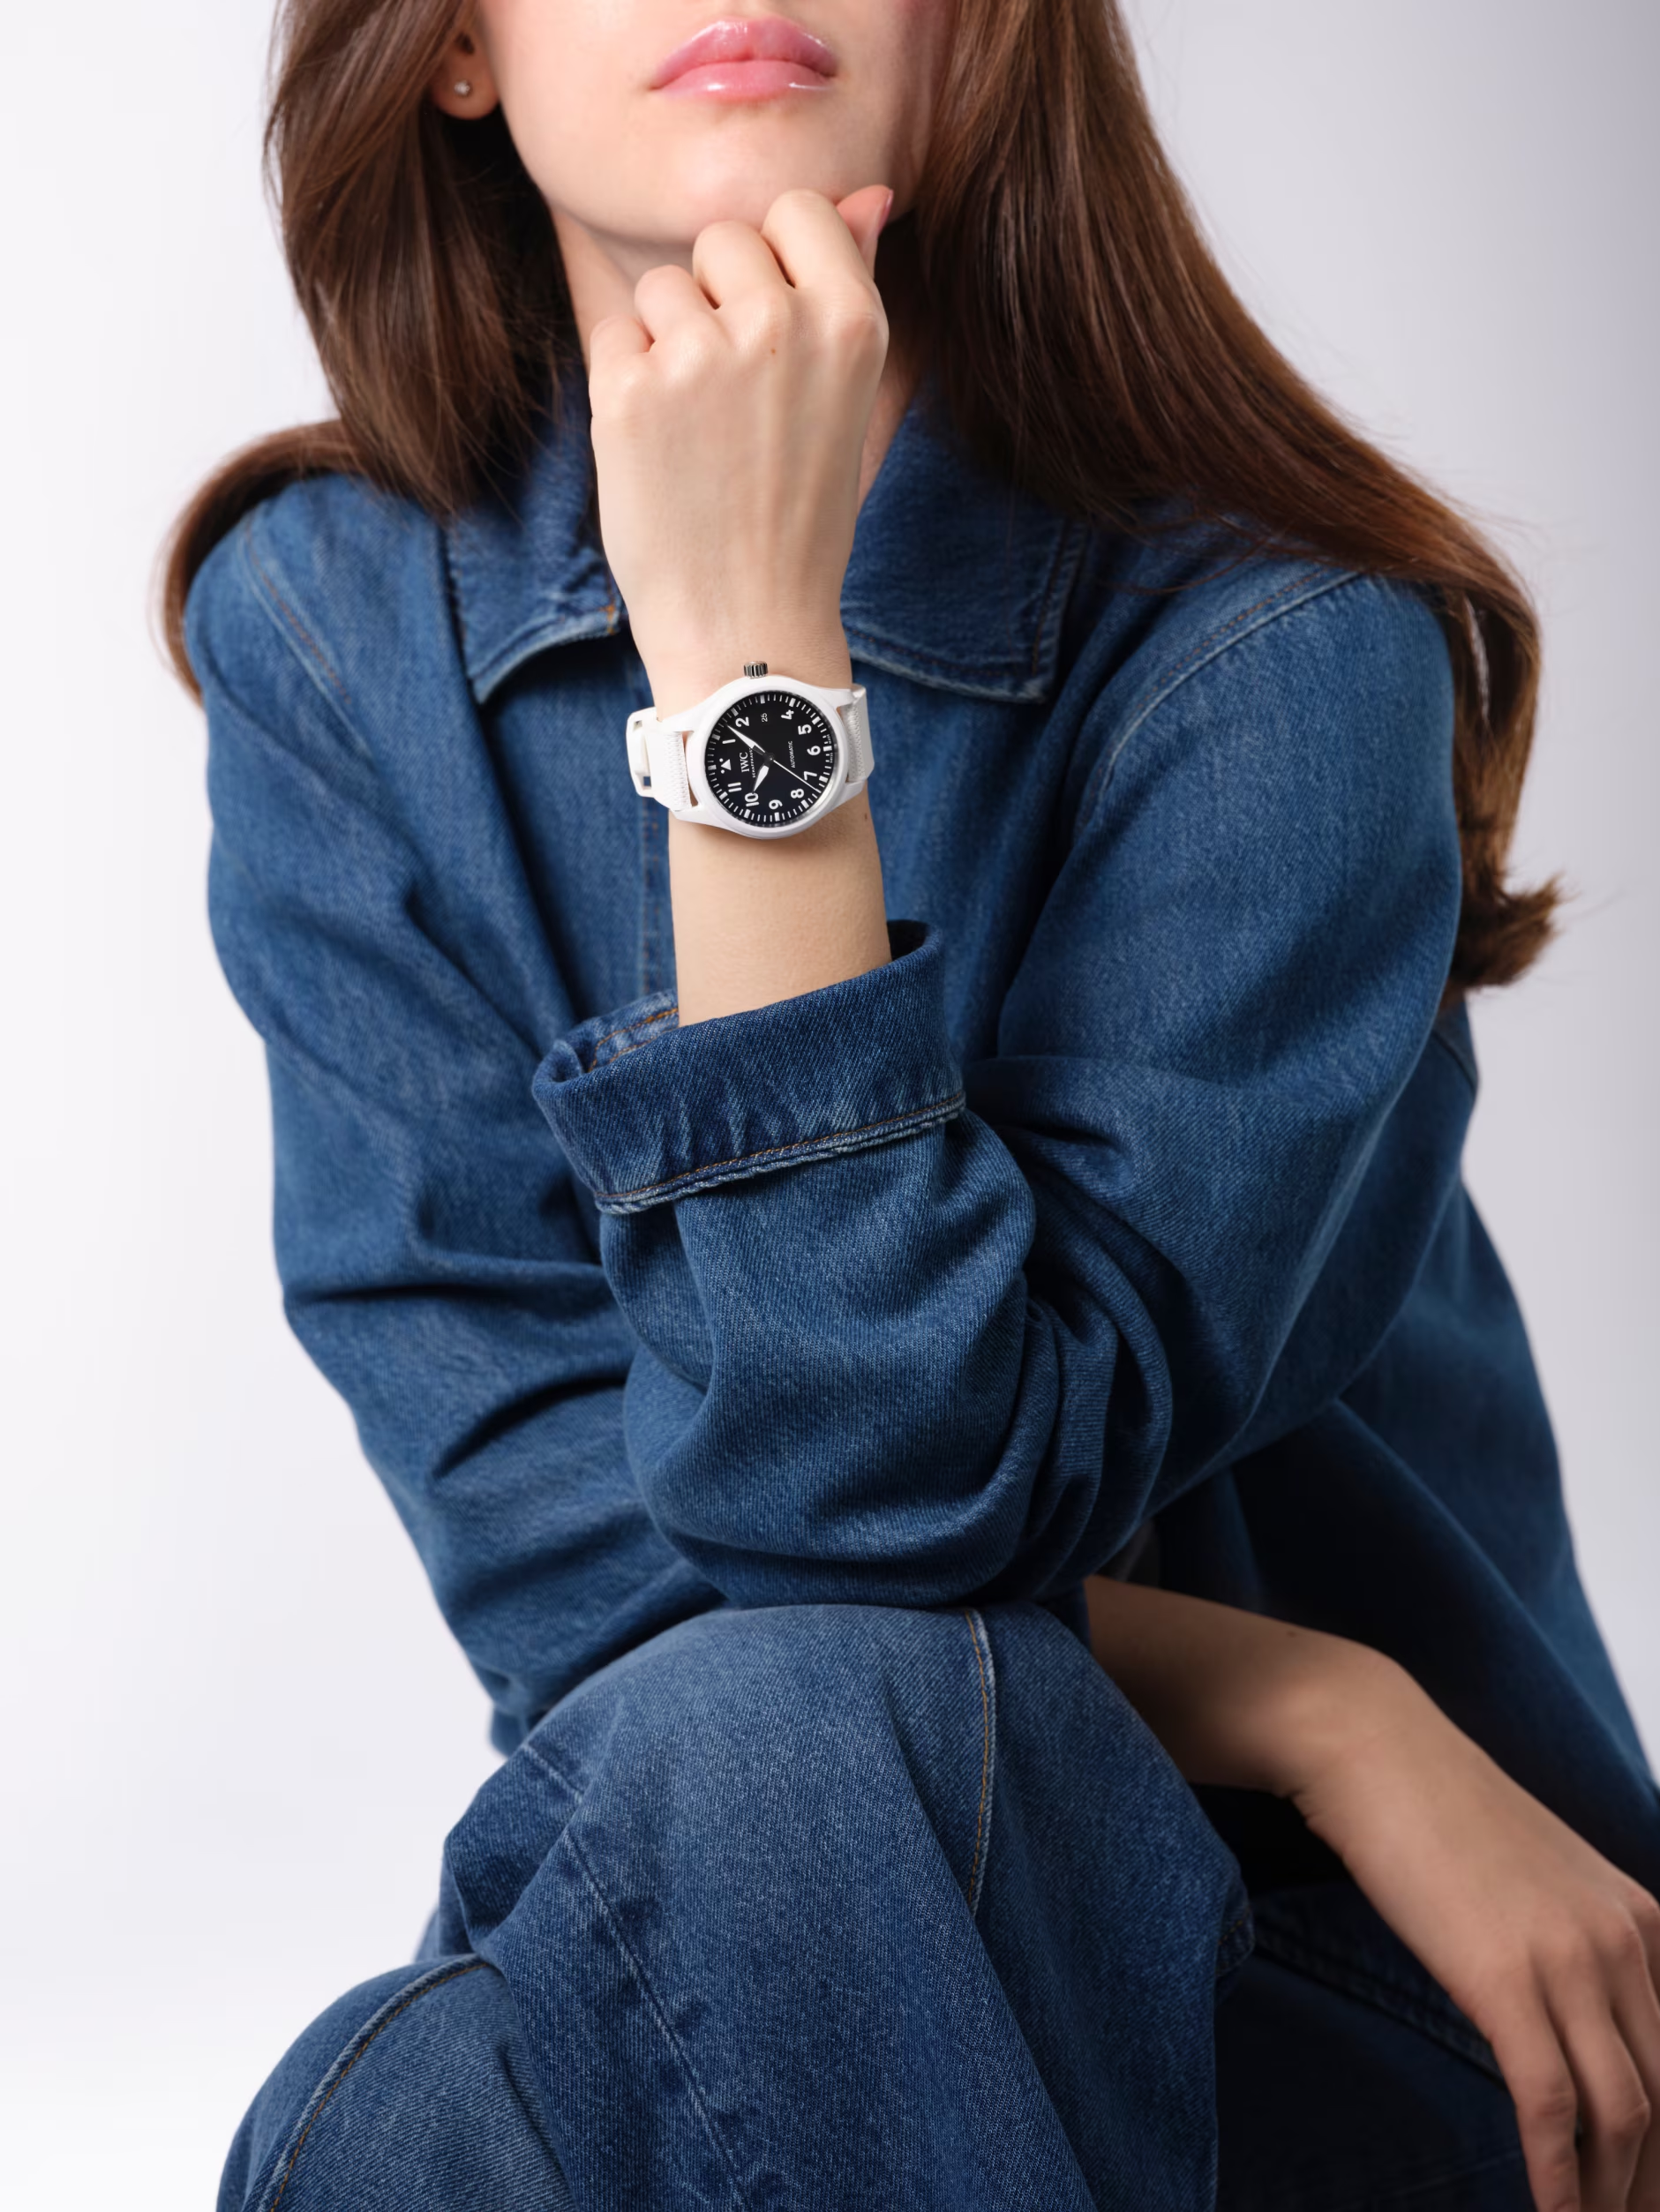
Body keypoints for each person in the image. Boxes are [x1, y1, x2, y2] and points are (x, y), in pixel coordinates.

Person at [162, 4, 1660, 2208]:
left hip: (1336, 1979)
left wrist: (752, 669)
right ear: (456, 48)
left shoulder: (1282, 647)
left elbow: (881, 1523)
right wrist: (1308, 1702)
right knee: (507, 2017)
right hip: (766, 1896)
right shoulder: (329, 625)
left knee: (454, 2082)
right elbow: (578, 1584)